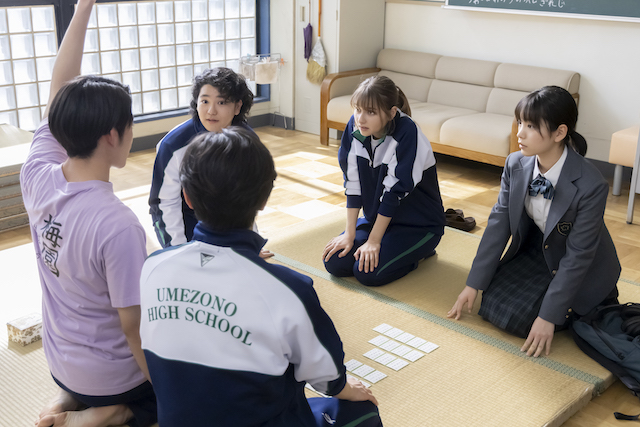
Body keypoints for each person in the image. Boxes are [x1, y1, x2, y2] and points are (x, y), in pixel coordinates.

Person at [139, 127, 382, 427]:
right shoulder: (289, 289)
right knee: (363, 412)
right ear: (265, 198)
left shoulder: (153, 268)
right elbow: (327, 377)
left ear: (186, 197)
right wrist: (346, 389)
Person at [20, 1, 157, 426]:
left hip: (59, 362)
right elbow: (134, 328)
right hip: (111, 378)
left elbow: (59, 88)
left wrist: (82, 8)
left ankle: (69, 399)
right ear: (113, 135)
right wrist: (164, 384)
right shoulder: (118, 225)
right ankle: (105, 414)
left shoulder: (36, 174)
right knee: (186, 379)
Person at [448, 86, 621, 358]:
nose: (520, 133)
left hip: (579, 263)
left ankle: (587, 303)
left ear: (559, 133)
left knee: (523, 320)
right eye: (520, 122)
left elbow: (578, 256)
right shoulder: (515, 163)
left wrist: (549, 317)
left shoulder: (591, 185)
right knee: (490, 302)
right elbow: (499, 224)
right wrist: (474, 283)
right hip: (538, 248)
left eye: (530, 126)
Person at [322, 75, 446, 286]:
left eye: (370, 112)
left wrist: (373, 241)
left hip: (418, 225)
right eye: (358, 109)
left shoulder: (407, 133)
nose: (361, 119)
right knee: (335, 262)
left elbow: (392, 194)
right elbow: (352, 184)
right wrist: (349, 234)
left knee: (367, 273)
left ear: (391, 113)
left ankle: (418, 253)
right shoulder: (355, 128)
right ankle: (386, 245)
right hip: (377, 220)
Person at [148, 67, 273, 257]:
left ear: (237, 107)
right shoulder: (173, 145)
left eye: (221, 102)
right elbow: (164, 203)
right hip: (190, 220)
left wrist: (250, 243)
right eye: (204, 101)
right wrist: (179, 251)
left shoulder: (246, 140)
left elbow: (248, 196)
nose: (211, 111)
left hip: (230, 220)